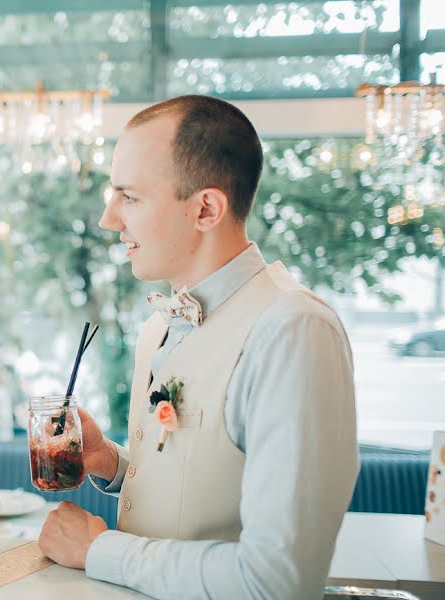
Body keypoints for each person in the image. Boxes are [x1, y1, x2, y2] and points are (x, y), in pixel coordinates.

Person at [37, 96, 359, 598]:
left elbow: (278, 582)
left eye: (130, 197)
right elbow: (203, 492)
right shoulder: (158, 327)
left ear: (206, 208)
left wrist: (98, 550)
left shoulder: (294, 330)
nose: (108, 218)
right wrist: (110, 461)